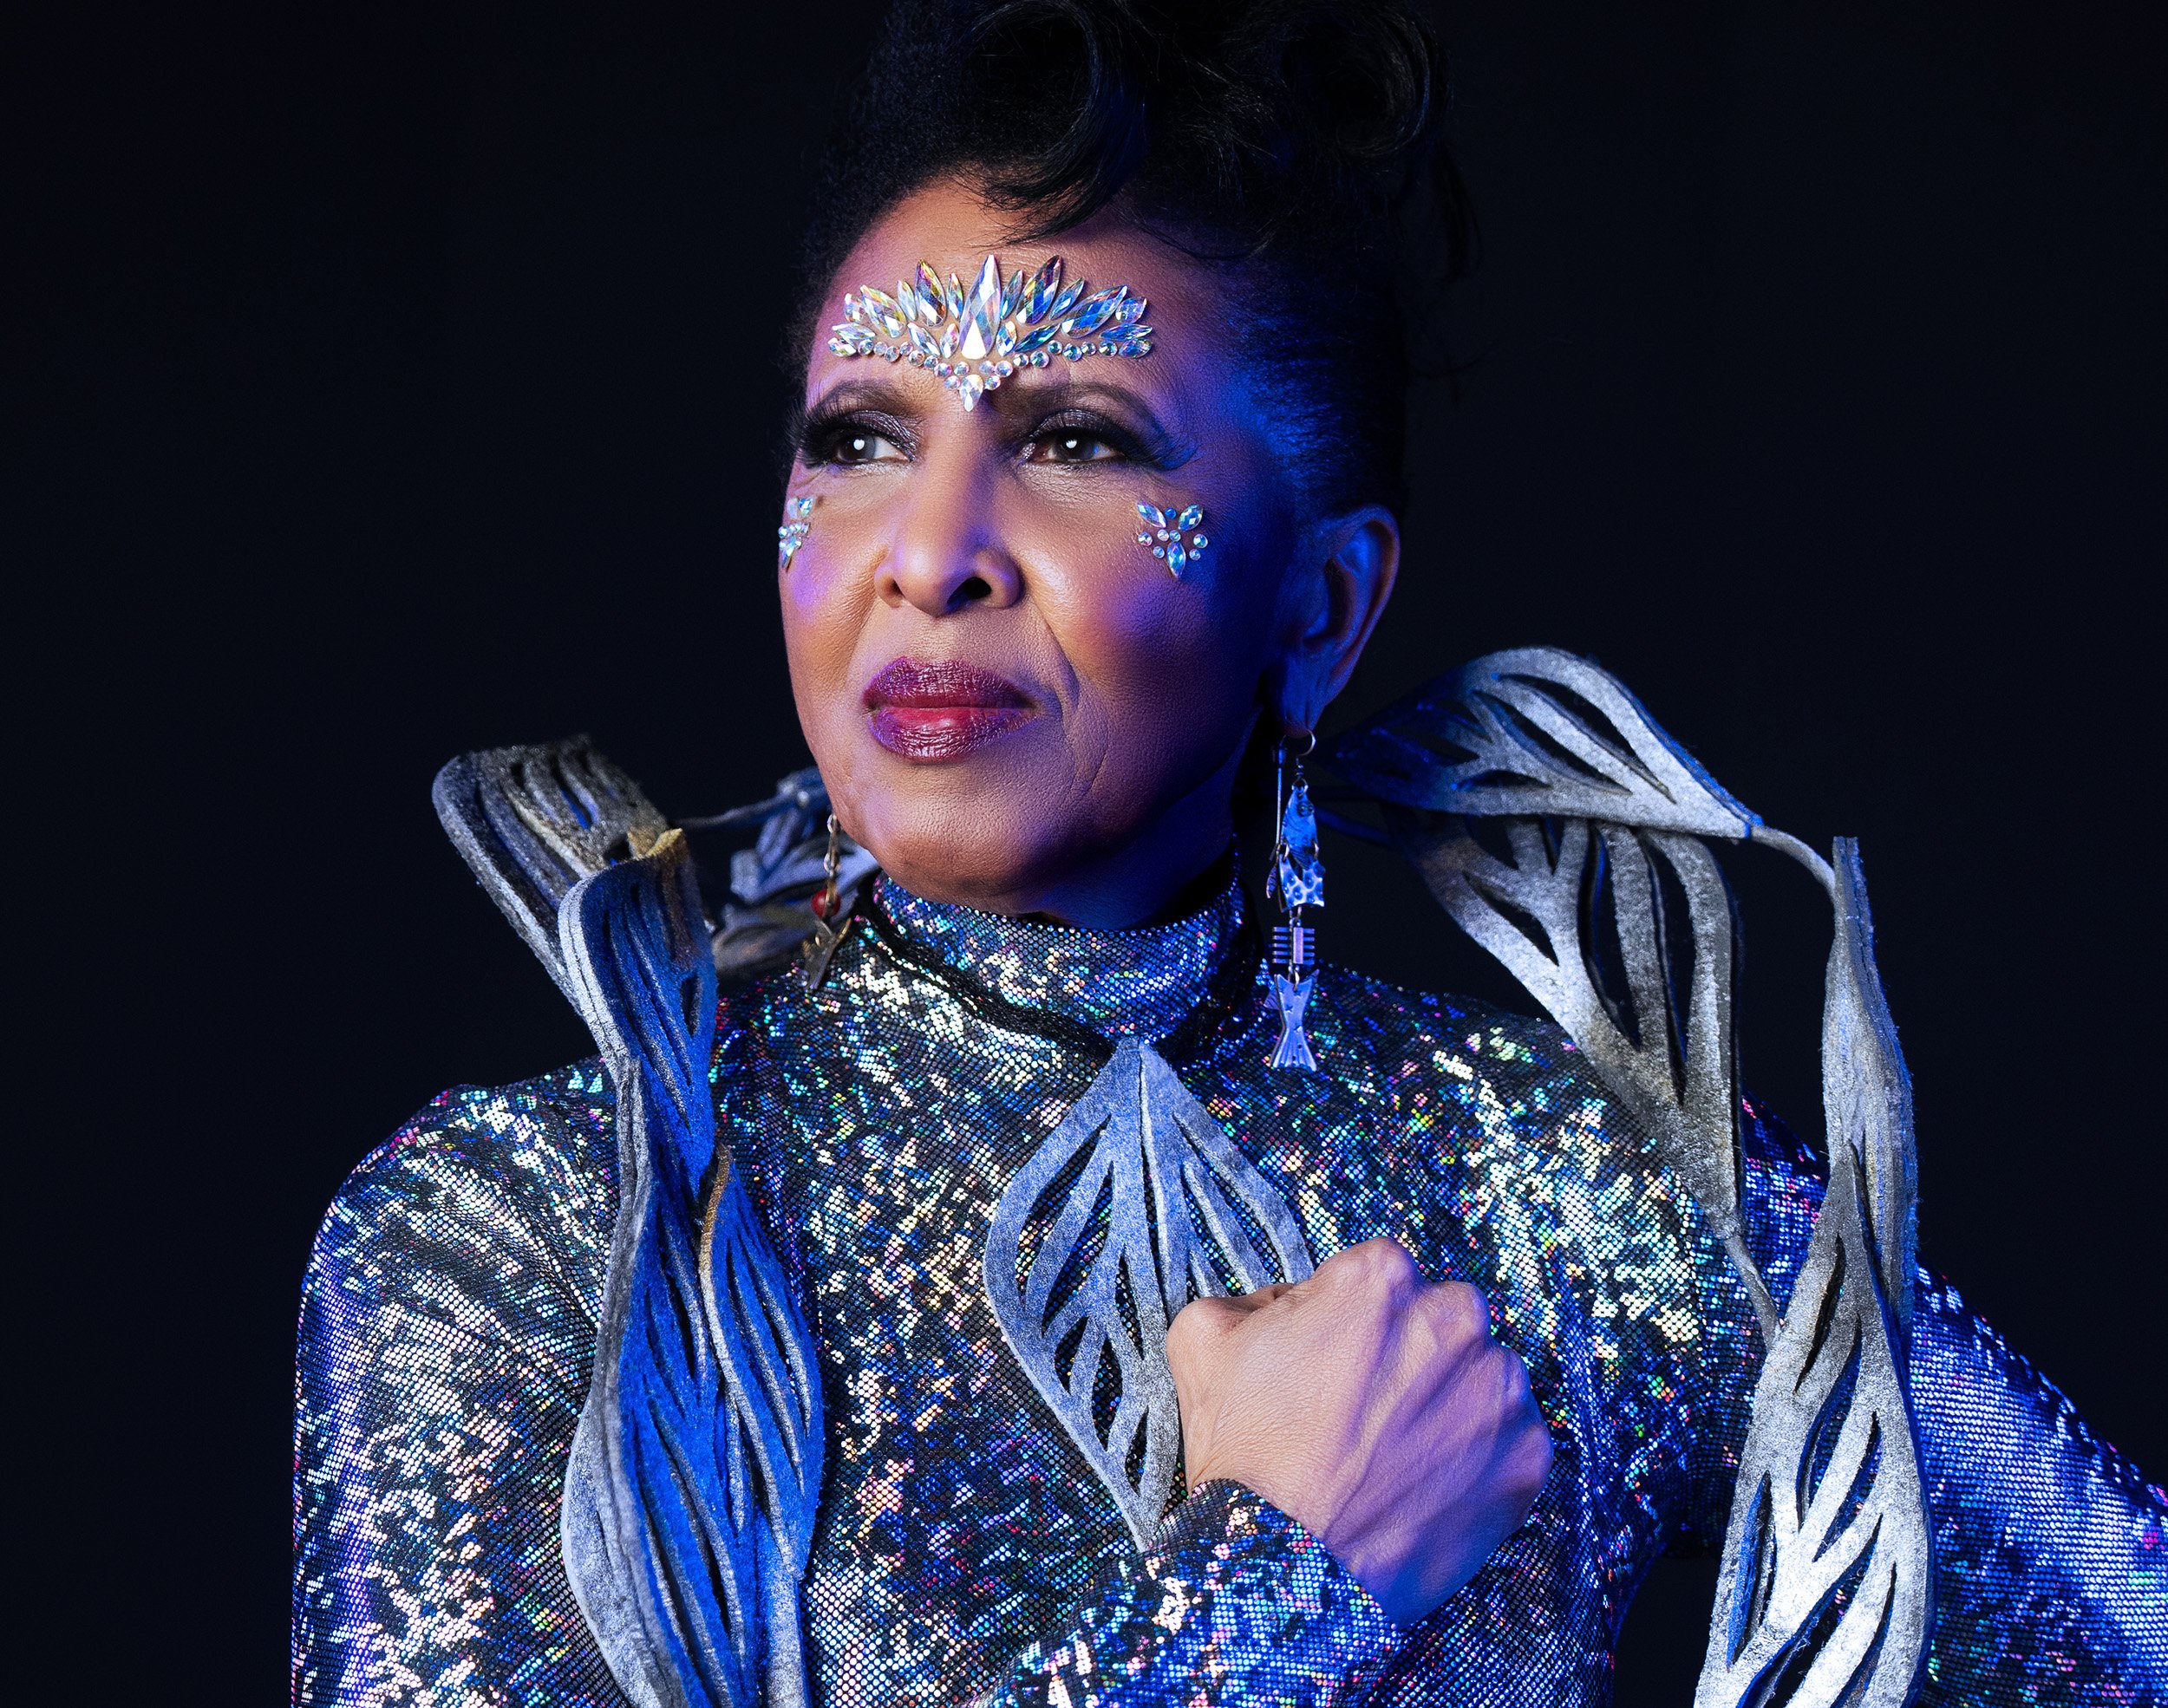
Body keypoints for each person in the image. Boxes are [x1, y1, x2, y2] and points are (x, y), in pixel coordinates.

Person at [291, 3, 2165, 1705]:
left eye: (1079, 440)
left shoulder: (1571, 1191)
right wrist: (1284, 1580)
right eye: (861, 434)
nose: (927, 550)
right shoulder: (509, 1235)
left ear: (1322, 604)